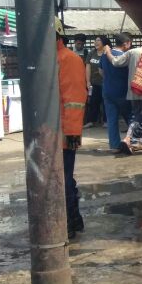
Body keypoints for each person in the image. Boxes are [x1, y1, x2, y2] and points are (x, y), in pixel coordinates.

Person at [56, 19, 87, 238]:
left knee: (63, 180)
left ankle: (69, 223)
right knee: (60, 180)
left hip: (64, 134)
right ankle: (72, 221)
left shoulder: (69, 59)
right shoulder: (49, 59)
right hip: (49, 133)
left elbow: (75, 99)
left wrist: (72, 134)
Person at [100, 34, 131, 152]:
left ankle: (114, 145)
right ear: (126, 43)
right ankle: (133, 141)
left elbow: (101, 71)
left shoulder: (104, 55)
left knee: (112, 119)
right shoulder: (126, 56)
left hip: (107, 90)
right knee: (131, 117)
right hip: (123, 91)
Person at [85, 36, 105, 127]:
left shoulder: (107, 53)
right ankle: (91, 121)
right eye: (95, 40)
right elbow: (88, 67)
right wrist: (88, 81)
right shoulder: (91, 53)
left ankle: (106, 121)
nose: (96, 42)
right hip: (94, 83)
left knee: (105, 103)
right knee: (93, 102)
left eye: (98, 40)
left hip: (105, 83)